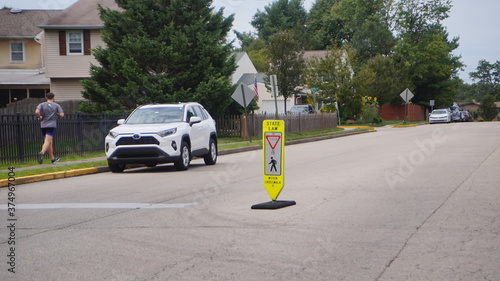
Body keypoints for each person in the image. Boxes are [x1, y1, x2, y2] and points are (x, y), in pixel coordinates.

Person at [35, 92, 64, 164]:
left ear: (46, 98)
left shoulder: (42, 104)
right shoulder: (56, 105)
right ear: (53, 98)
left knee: (49, 142)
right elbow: (62, 115)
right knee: (47, 141)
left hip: (43, 125)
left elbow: (36, 112)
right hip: (51, 125)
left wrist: (39, 117)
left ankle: (52, 159)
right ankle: (42, 152)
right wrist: (57, 113)